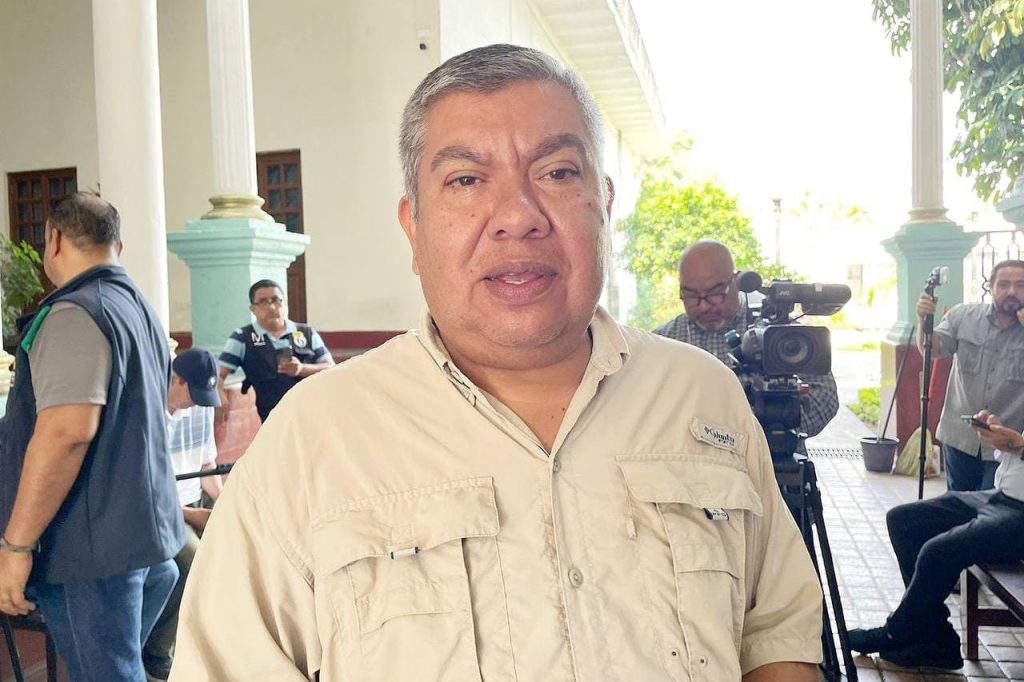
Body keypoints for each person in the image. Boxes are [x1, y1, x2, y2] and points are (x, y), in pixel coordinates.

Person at [170, 44, 823, 681]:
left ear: (604, 204)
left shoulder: (702, 398)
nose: (517, 216)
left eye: (557, 173)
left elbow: (775, 633)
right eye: (466, 180)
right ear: (414, 227)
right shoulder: (313, 438)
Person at [0, 193, 184, 680]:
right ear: (117, 246)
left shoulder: (75, 313)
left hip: (90, 549)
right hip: (138, 533)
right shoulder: (138, 309)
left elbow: (66, 434)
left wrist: (16, 547)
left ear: (54, 240)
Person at [848, 410, 1024, 670]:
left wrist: (1019, 444)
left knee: (938, 552)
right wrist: (1004, 439)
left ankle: (895, 632)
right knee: (904, 520)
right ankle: (935, 639)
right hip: (1003, 495)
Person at [654, 239, 839, 447]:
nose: (704, 305)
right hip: (688, 463)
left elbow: (825, 399)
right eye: (691, 295)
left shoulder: (782, 335)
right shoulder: (663, 342)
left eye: (715, 293)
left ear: (736, 282)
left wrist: (762, 427)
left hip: (773, 459)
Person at [143, 348, 225, 681]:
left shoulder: (201, 408)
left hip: (192, 505)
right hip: (160, 513)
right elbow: (145, 491)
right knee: (195, 560)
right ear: (175, 379)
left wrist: (225, 503)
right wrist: (193, 516)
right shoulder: (147, 414)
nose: (198, 403)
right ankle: (157, 650)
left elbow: (207, 466)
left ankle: (207, 645)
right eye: (194, 393)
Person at [918, 259, 1024, 491]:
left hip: (1006, 444)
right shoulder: (963, 316)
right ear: (990, 287)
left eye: (1020, 285)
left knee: (993, 507)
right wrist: (924, 320)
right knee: (957, 504)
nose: (1012, 292)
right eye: (1003, 284)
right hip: (960, 437)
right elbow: (932, 350)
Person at [217, 279, 334, 422]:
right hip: (272, 419)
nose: (271, 307)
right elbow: (219, 374)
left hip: (312, 413)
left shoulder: (306, 332)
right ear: (252, 309)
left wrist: (301, 369)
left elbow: (330, 367)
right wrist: (219, 394)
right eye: (263, 302)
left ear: (285, 304)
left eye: (276, 300)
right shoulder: (242, 337)